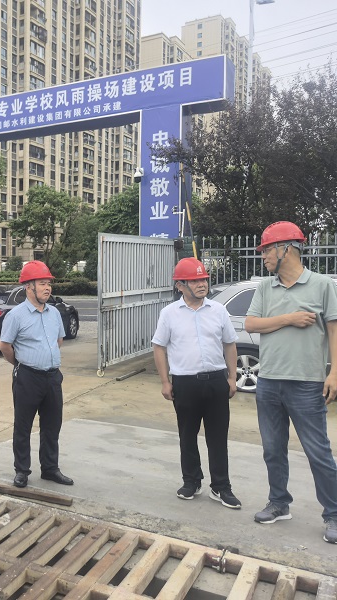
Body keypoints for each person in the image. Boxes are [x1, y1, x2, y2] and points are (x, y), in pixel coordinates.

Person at [244, 221, 337, 544]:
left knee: (318, 452)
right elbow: (251, 324)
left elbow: (333, 331)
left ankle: (334, 514)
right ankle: (279, 503)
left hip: (306, 383)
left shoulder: (322, 285)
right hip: (268, 381)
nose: (264, 256)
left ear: (286, 248)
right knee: (272, 449)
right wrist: (290, 318)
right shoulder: (265, 288)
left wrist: (334, 372)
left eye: (267, 250)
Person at [151, 258, 241, 508]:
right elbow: (159, 347)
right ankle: (191, 481)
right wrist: (165, 381)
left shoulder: (218, 310)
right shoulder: (169, 313)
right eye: (194, 280)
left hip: (216, 381)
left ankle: (221, 486)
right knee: (187, 435)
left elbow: (229, 344)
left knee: (218, 437)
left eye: (203, 279)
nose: (202, 284)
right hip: (185, 383)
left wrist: (232, 377)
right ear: (180, 285)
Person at [0, 261, 74, 489]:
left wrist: (45, 358)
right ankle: (22, 470)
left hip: (52, 377)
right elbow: (5, 346)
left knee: (52, 426)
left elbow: (58, 340)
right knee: (23, 426)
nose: (47, 288)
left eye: (49, 283)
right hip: (27, 377)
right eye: (42, 283)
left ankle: (50, 469)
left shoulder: (54, 313)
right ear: (28, 287)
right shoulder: (16, 316)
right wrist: (21, 363)